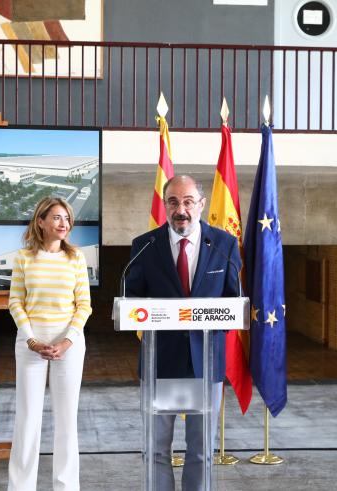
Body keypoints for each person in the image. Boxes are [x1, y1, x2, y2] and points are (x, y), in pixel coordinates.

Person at [125, 175, 241, 491]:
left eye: (188, 202)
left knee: (201, 452)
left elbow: (233, 301)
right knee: (156, 451)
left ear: (201, 204)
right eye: (174, 202)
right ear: (165, 205)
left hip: (205, 364)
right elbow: (131, 300)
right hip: (159, 363)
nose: (181, 210)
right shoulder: (145, 246)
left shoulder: (224, 245)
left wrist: (205, 320)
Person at [7, 196, 93, 491]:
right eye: (57, 217)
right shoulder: (23, 258)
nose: (63, 223)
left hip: (69, 344)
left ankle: (66, 486)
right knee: (27, 418)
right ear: (41, 221)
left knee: (67, 420)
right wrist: (31, 340)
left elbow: (84, 305)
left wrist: (67, 341)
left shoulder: (76, 257)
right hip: (30, 343)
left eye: (67, 218)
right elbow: (16, 302)